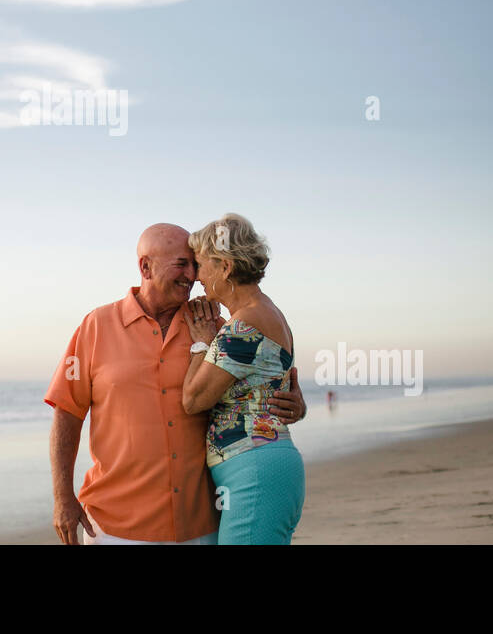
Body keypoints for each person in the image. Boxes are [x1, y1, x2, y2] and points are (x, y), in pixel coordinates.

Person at [44, 223, 307, 545]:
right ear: (145, 266)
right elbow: (67, 412)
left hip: (201, 523)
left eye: (196, 264)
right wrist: (62, 497)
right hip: (115, 526)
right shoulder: (95, 327)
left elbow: (259, 373)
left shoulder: (213, 326)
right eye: (182, 264)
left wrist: (293, 402)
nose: (193, 275)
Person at [181, 213, 306, 544]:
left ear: (224, 266)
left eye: (200, 265)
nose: (196, 277)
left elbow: (194, 400)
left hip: (255, 470)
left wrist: (201, 342)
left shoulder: (244, 325)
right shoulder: (267, 312)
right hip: (264, 466)